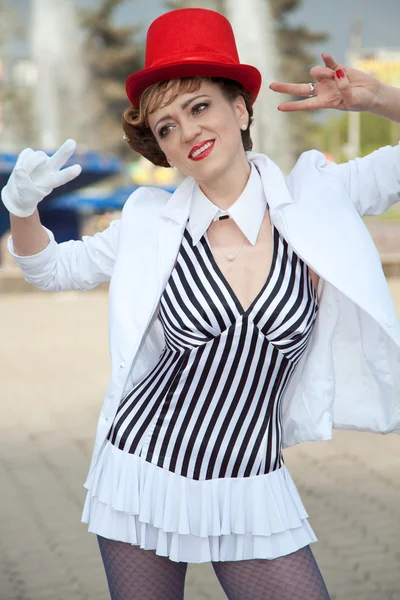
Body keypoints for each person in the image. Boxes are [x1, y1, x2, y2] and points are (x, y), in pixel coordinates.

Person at [2, 7, 400, 600]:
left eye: (199, 107)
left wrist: (381, 100)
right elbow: (51, 268)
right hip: (143, 472)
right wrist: (23, 210)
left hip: (251, 484)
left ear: (240, 109)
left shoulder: (318, 197)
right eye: (165, 126)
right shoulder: (148, 221)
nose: (187, 132)